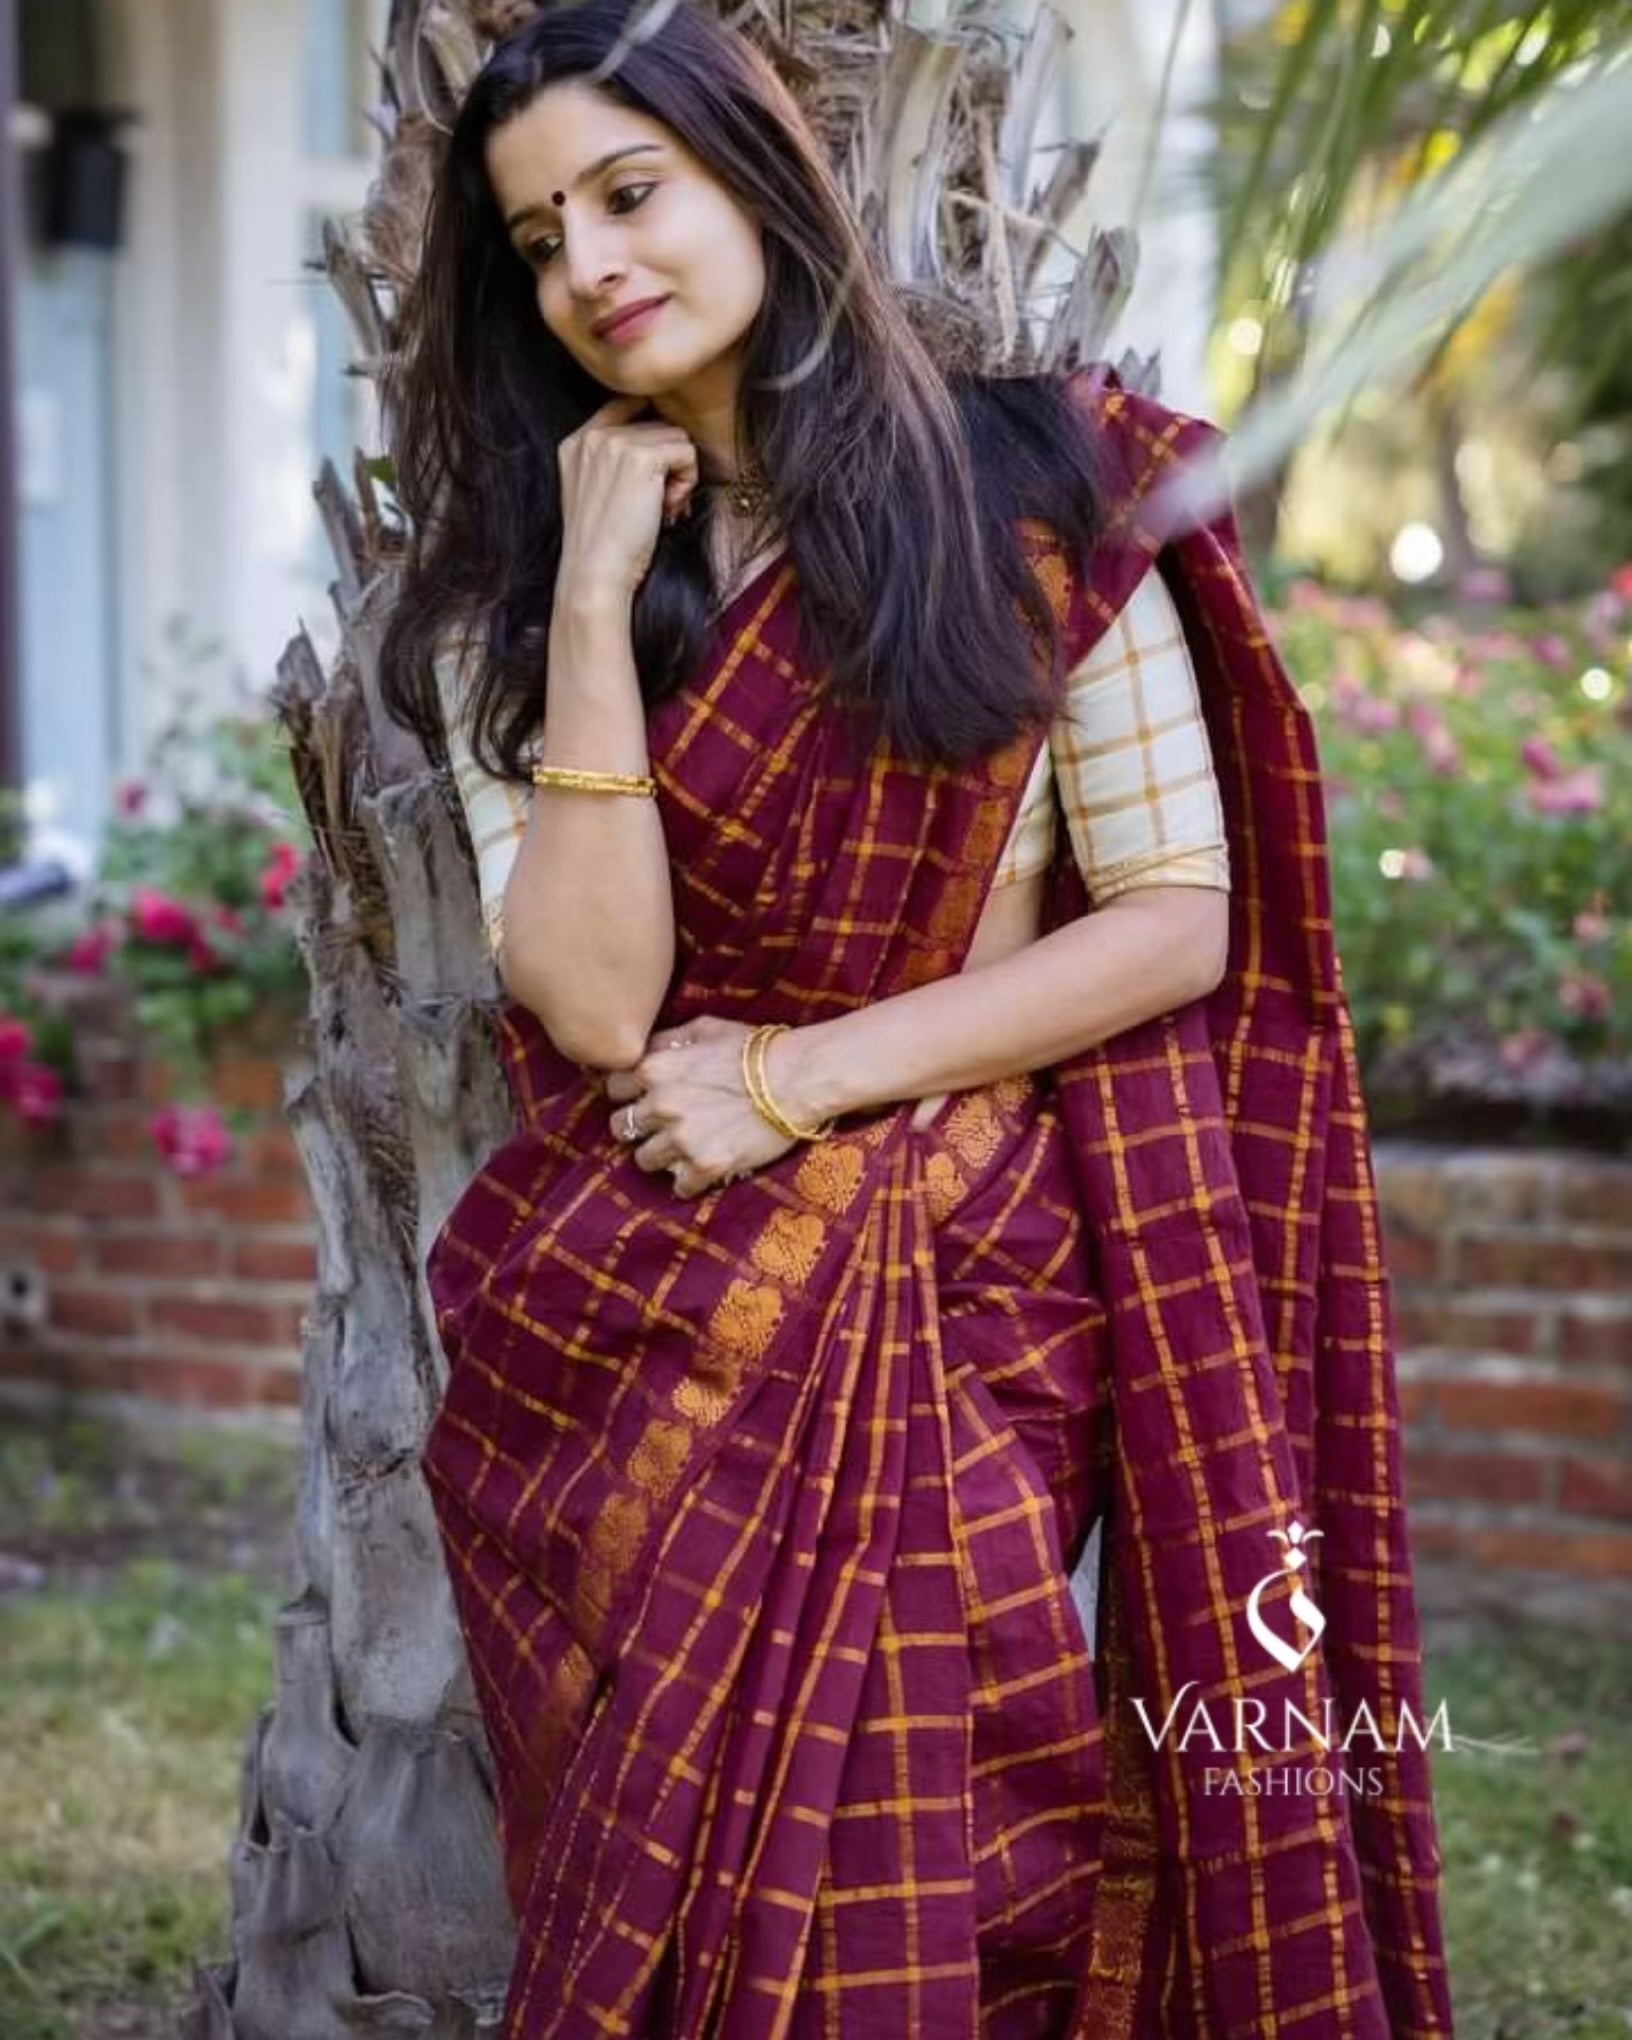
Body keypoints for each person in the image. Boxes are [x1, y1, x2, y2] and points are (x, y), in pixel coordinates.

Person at [379, 2, 1454, 2034]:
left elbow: (1177, 924)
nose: (590, 265)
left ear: (757, 171)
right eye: (535, 240)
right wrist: (599, 600)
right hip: (625, 1292)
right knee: (651, 1840)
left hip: (959, 1265)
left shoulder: (1048, 488)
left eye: (630, 192)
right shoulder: (503, 611)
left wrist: (799, 1077)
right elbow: (600, 1003)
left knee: (977, 1831)